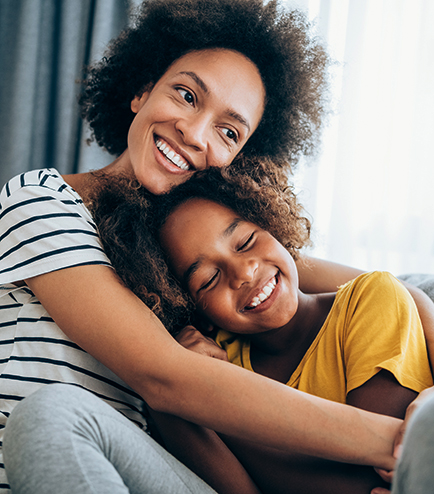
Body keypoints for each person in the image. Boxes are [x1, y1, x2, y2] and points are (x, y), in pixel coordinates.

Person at [1, 0, 434, 492]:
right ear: (142, 90)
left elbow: (397, 290)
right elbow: (162, 376)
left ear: (239, 158)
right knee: (51, 414)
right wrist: (407, 445)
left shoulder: (192, 243)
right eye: (186, 95)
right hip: (60, 456)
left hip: (155, 469)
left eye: (228, 131)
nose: (193, 131)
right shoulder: (40, 200)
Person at [88, 164, 432, 493]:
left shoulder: (373, 299)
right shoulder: (211, 363)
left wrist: (211, 405)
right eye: (209, 279)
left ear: (274, 226)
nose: (244, 273)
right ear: (195, 311)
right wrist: (188, 389)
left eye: (246, 242)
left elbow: (365, 482)